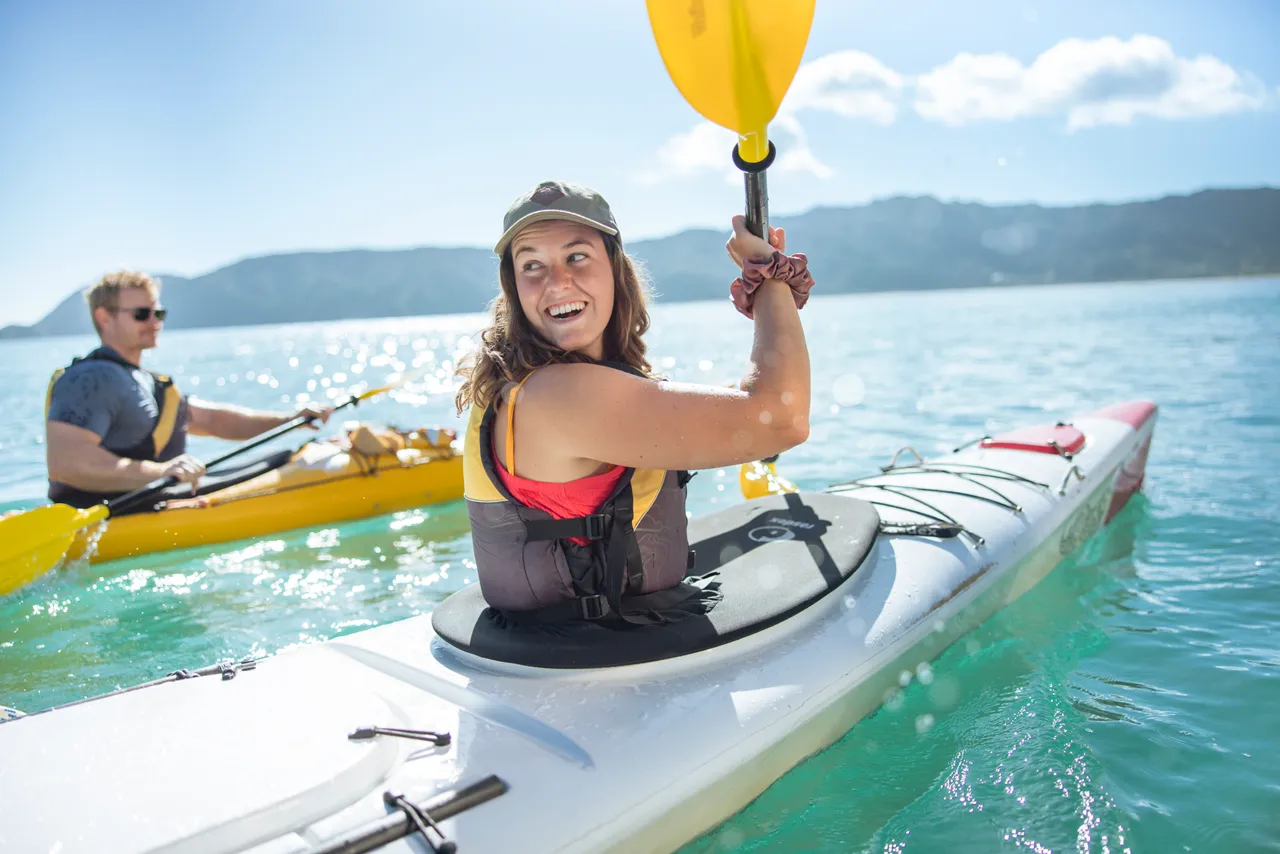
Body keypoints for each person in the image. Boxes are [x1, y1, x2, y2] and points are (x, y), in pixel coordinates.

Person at [455, 180, 814, 625]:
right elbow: (784, 420)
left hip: (579, 645)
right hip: (594, 664)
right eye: (532, 265)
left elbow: (725, 413)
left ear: (615, 269)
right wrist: (771, 279)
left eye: (577, 256)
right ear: (515, 288)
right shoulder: (559, 396)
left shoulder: (529, 381)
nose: (557, 283)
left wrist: (739, 404)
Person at [45, 270, 333, 508]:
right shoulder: (91, 379)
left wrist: (291, 419)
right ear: (104, 318)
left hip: (157, 501)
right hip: (114, 514)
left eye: (158, 313)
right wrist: (163, 472)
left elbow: (213, 420)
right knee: (287, 460)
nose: (154, 322)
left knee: (286, 455)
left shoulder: (143, 381)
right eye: (142, 314)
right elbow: (68, 463)